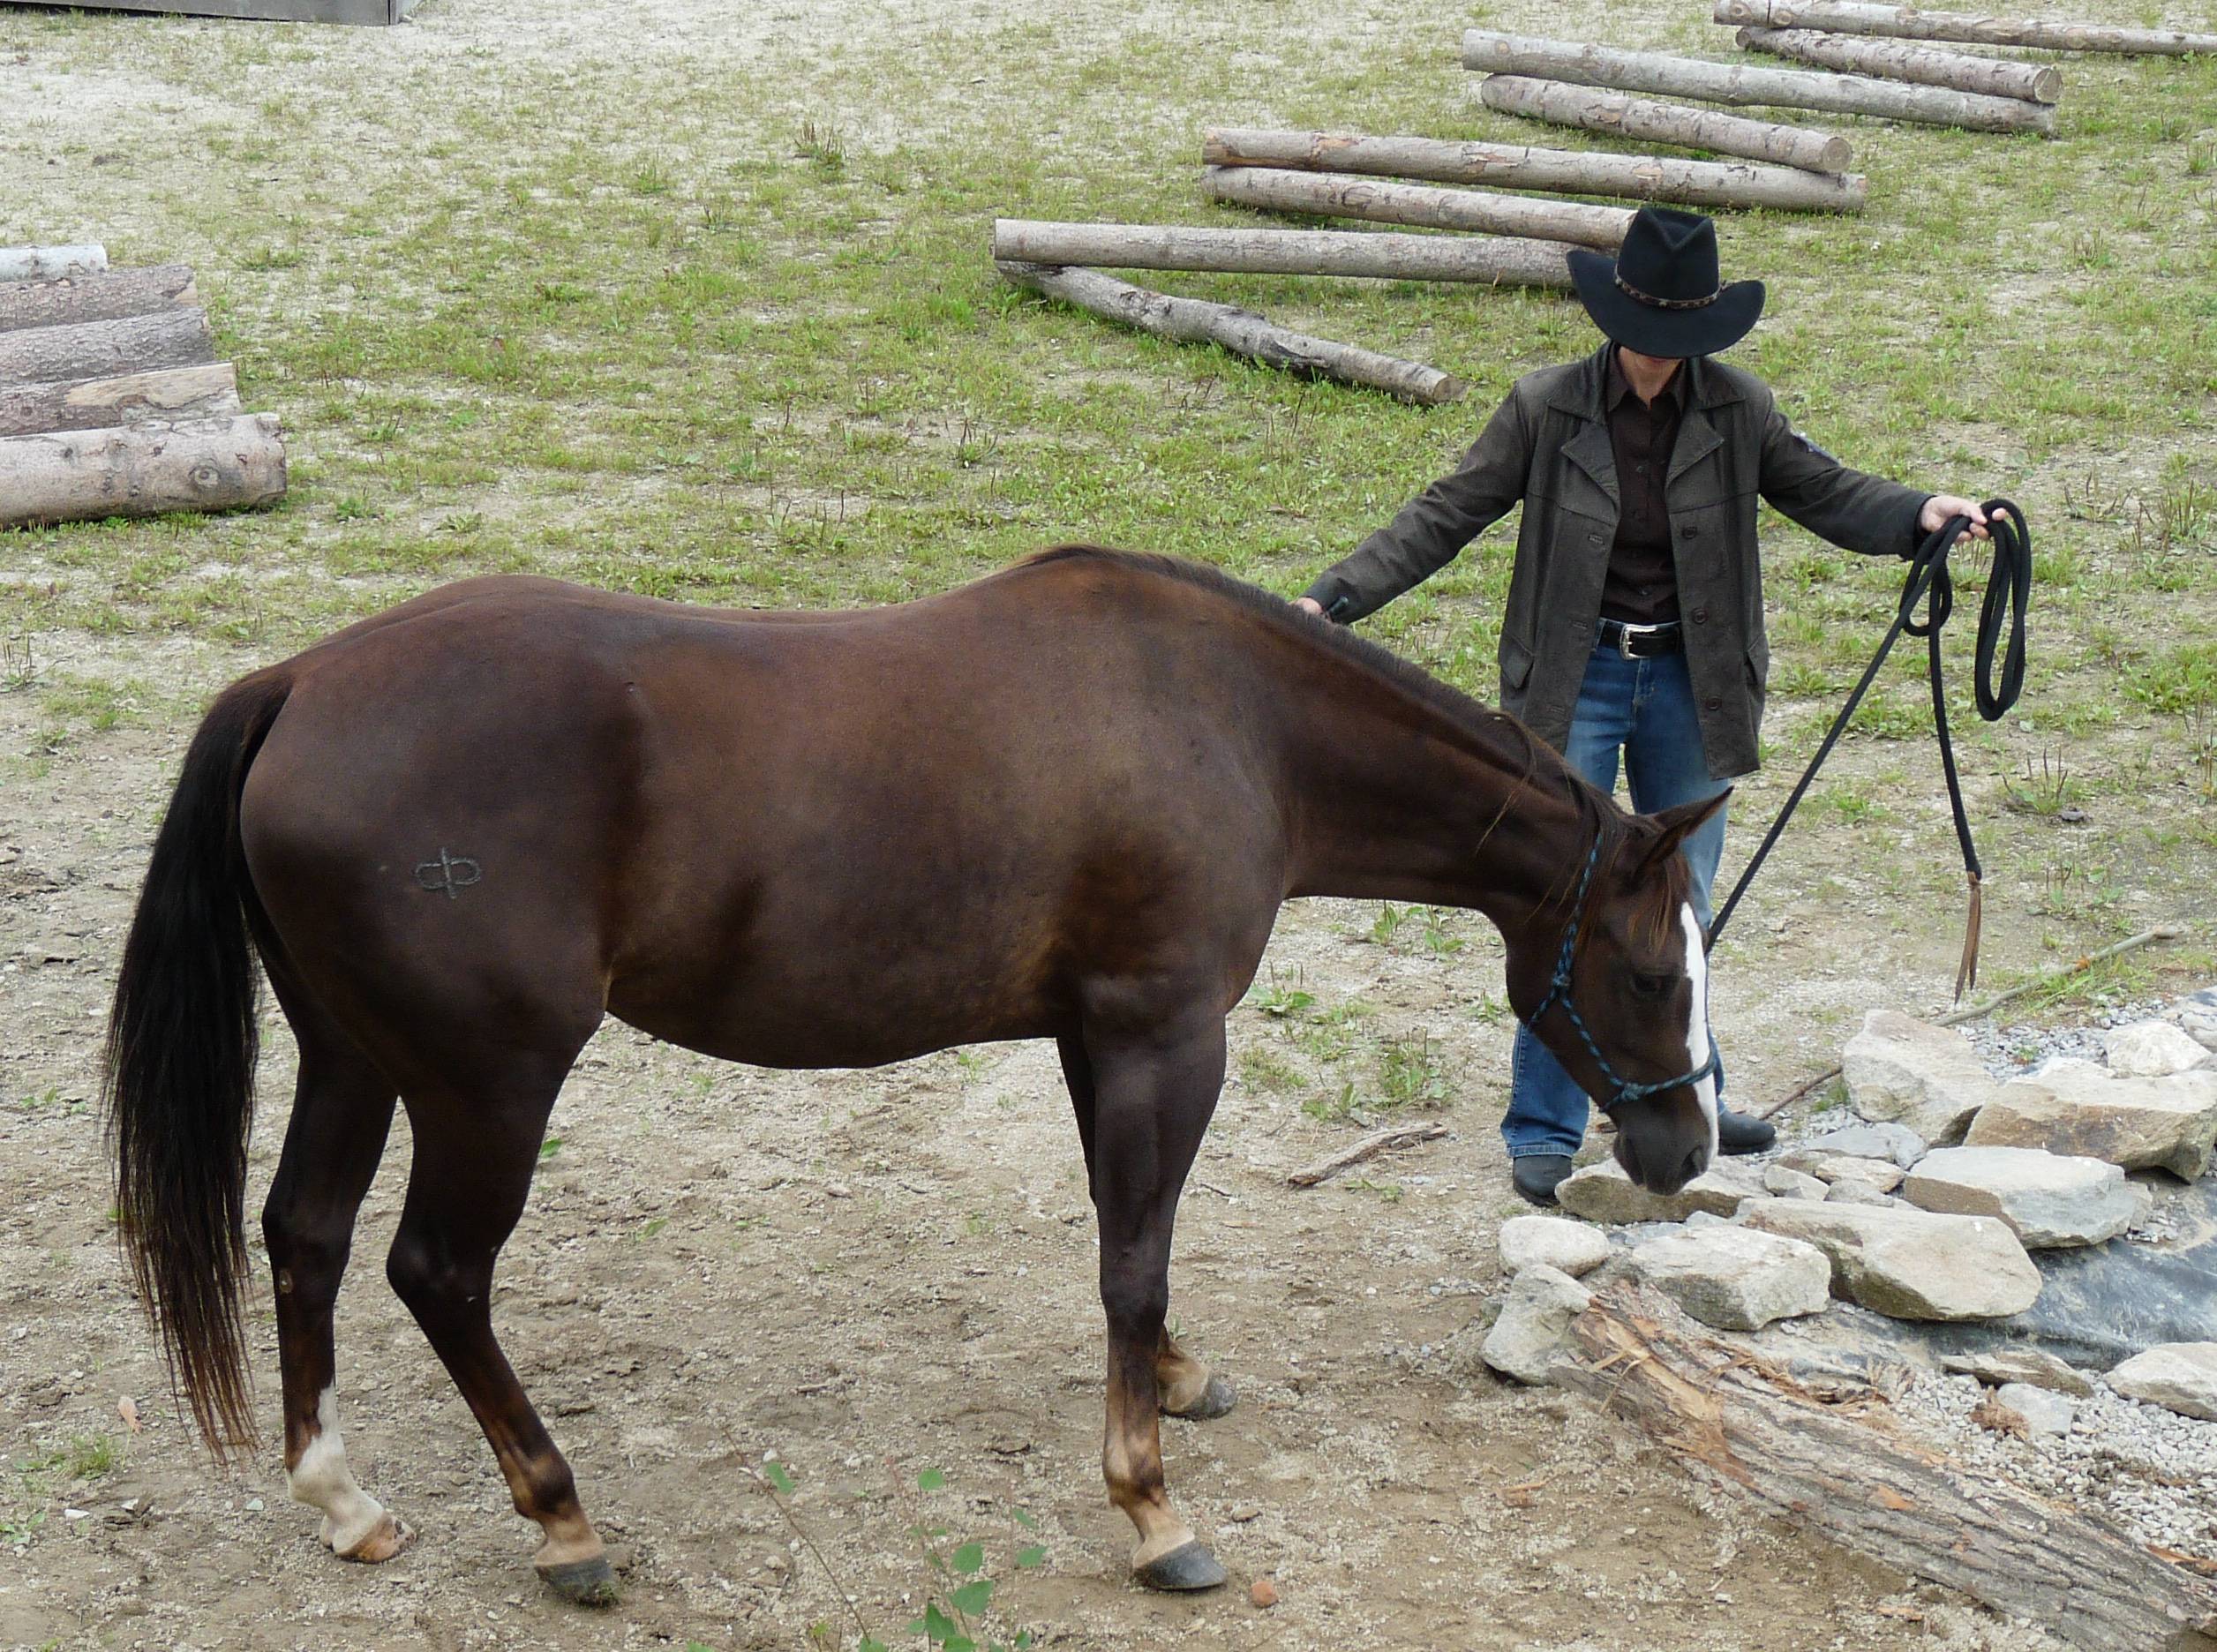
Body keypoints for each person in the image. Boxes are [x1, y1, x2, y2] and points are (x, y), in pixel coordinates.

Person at [1293, 206, 1999, 1207]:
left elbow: (1821, 488)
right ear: (1615, 319)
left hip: (1690, 683)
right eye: (1649, 332)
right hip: (1573, 677)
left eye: (1682, 334)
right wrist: (1334, 599)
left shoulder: (1738, 408)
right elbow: (1448, 511)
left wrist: (1918, 514)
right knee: (1565, 903)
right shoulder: (1546, 407)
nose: (1663, 353)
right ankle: (1544, 1126)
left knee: (1683, 909)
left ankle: (1693, 1099)